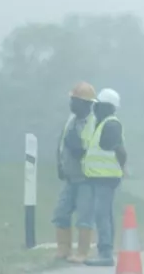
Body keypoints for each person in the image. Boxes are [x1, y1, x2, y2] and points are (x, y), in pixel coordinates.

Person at [83, 88, 127, 267]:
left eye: (99, 104)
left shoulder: (110, 124)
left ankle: (106, 252)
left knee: (102, 214)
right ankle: (106, 250)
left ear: (107, 106)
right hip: (100, 177)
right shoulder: (102, 123)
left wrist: (123, 168)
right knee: (104, 213)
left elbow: (120, 150)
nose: (95, 108)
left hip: (106, 177)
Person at [53, 81, 96, 262]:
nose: (72, 103)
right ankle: (64, 250)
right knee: (61, 213)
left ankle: (82, 253)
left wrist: (77, 146)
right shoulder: (71, 119)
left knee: (84, 217)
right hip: (70, 177)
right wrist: (60, 165)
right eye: (72, 99)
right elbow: (62, 142)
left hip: (87, 178)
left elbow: (90, 150)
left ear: (86, 104)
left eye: (76, 100)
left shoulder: (93, 123)